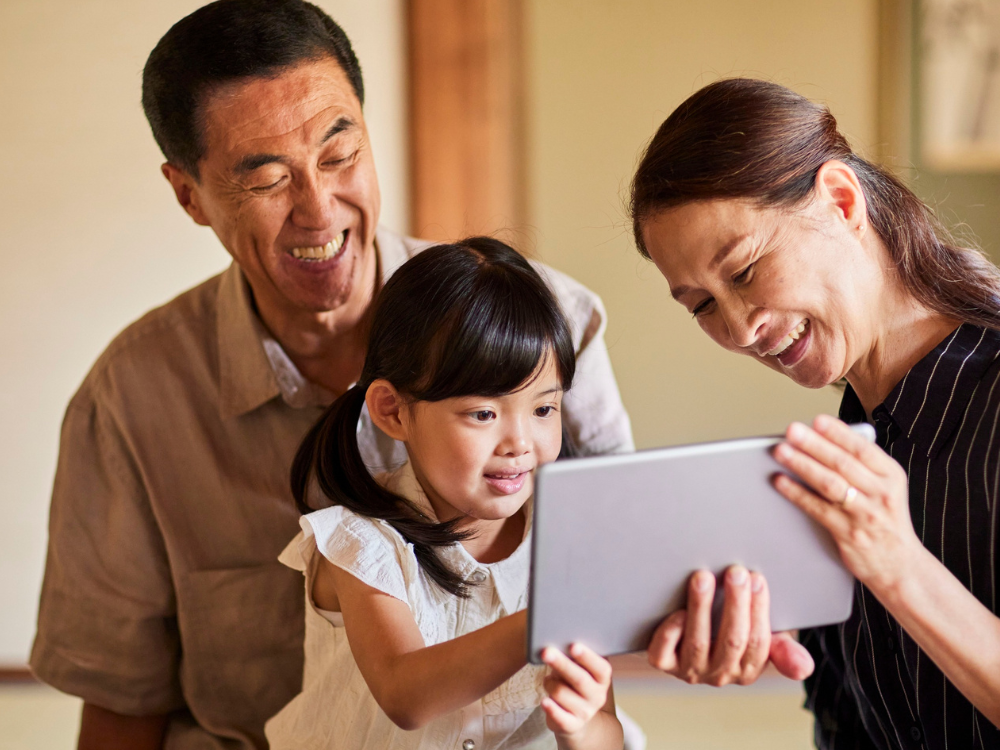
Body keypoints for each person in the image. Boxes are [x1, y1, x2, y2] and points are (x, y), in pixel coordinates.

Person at [29, 2, 632, 748]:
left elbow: (617, 590)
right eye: (269, 179)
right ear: (189, 194)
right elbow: (123, 704)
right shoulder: (131, 398)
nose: (319, 213)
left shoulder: (550, 324)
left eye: (340, 156)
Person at [630, 78, 1000, 749]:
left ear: (840, 200)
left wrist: (895, 567)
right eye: (701, 305)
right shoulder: (848, 438)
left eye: (743, 271)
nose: (740, 329)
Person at [265, 237, 623, 750]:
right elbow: (405, 692)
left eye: (544, 410)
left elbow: (606, 732)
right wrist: (543, 623)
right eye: (483, 413)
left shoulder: (570, 544)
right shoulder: (358, 544)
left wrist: (581, 725)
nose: (520, 443)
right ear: (392, 411)